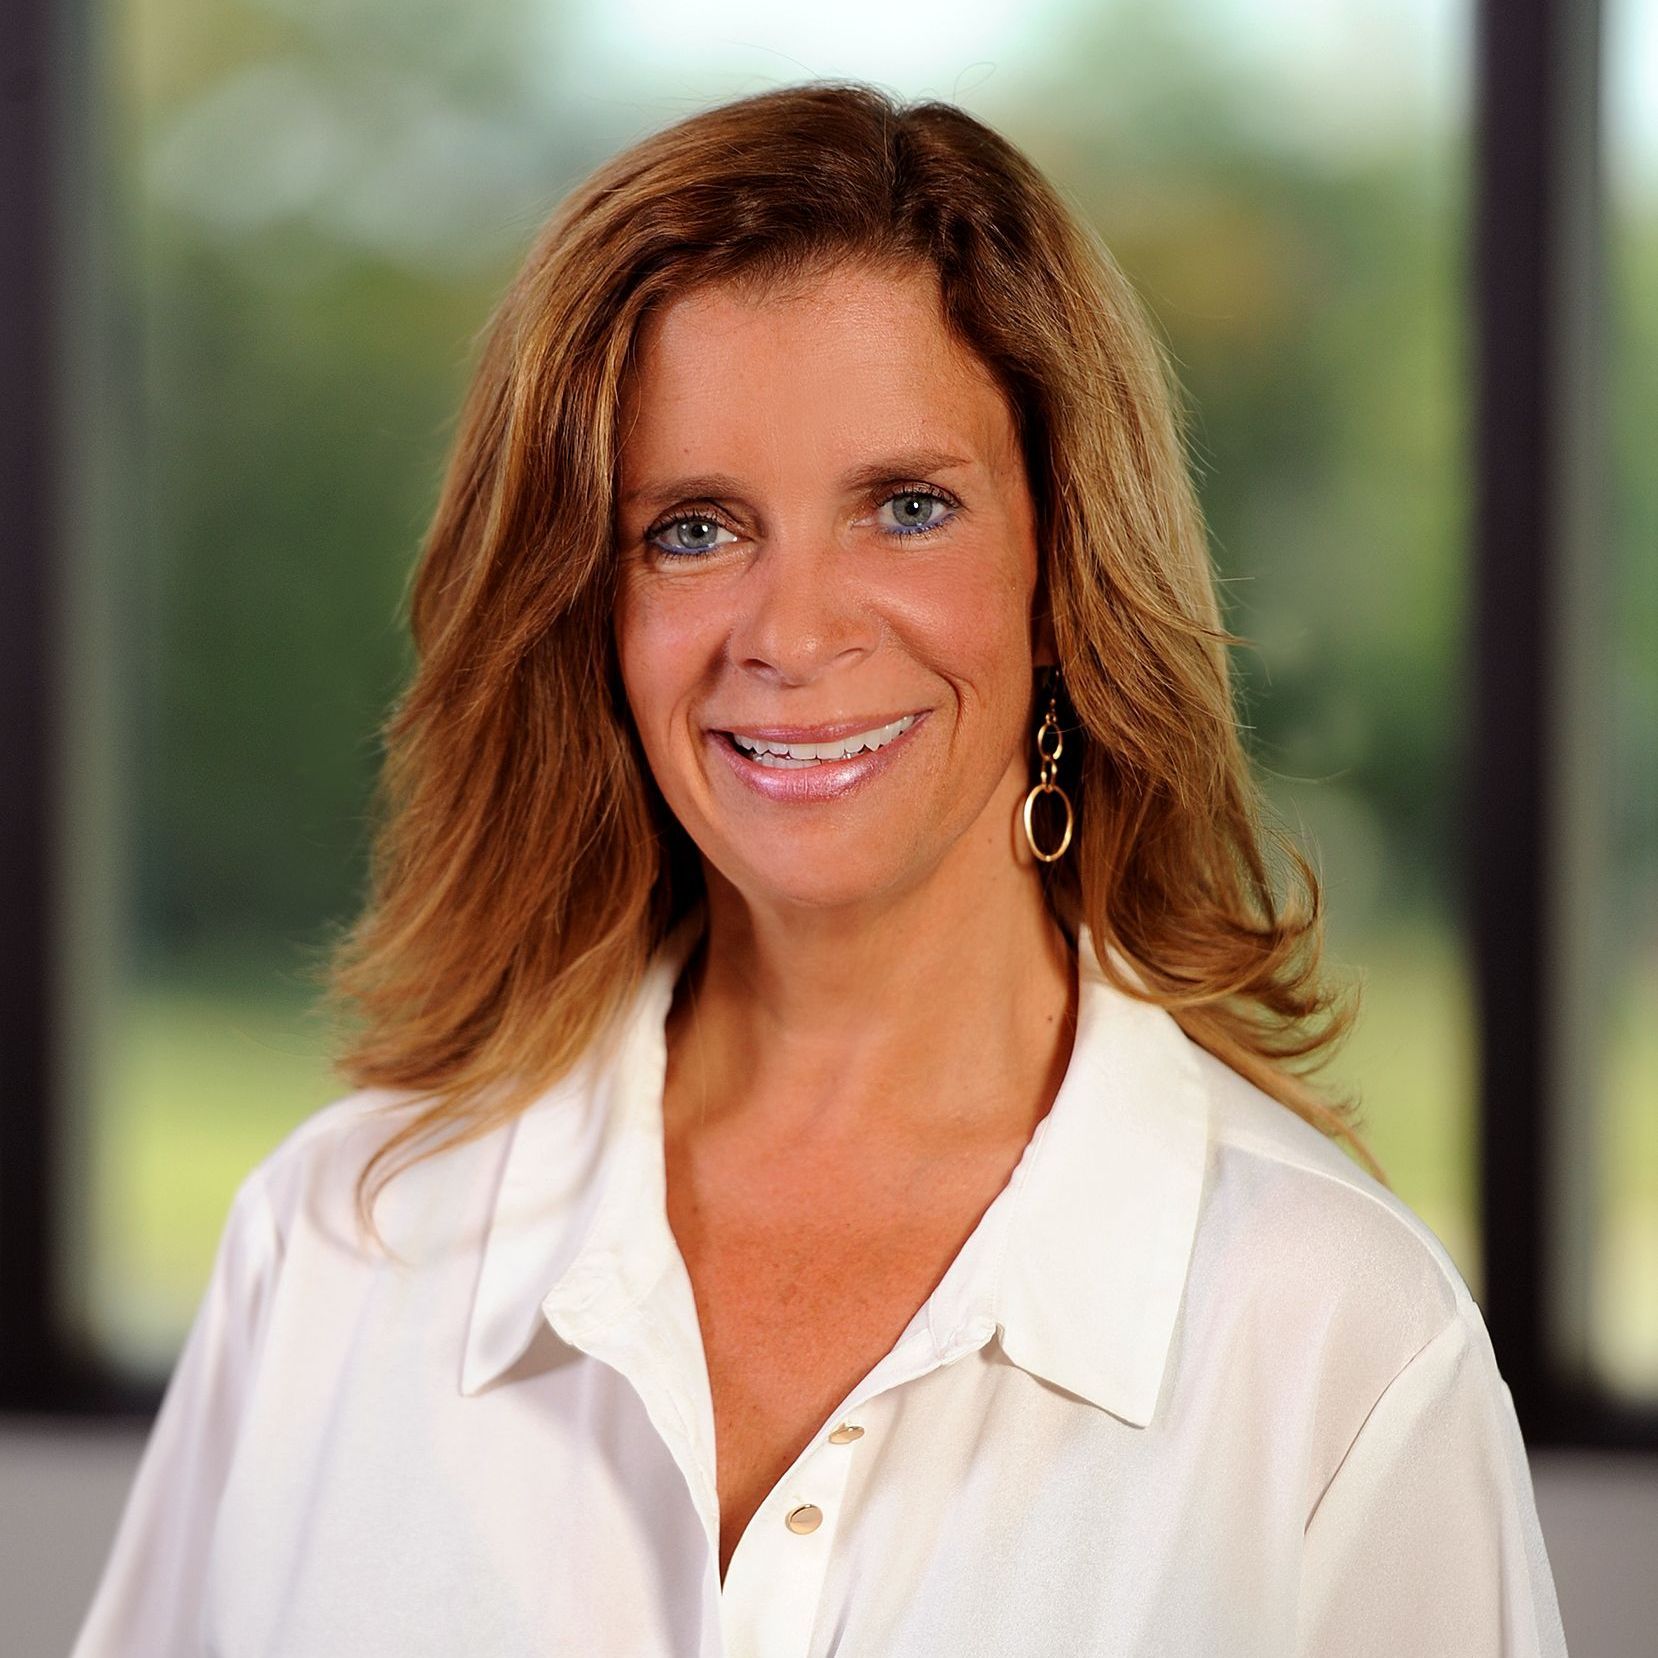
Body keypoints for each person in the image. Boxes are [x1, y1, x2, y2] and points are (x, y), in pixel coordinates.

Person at [72, 81, 1568, 1657]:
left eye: (906, 508)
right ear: (584, 600)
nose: (791, 635)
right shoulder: (335, 1242)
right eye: (693, 530)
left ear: (1067, 566)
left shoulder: (1333, 1339)